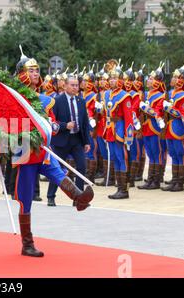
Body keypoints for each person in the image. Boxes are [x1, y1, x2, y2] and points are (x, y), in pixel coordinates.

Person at [11, 49, 93, 257]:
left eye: (37, 70)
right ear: (22, 73)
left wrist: (54, 127)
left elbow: (53, 123)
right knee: (27, 197)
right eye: (31, 71)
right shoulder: (15, 98)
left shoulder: (45, 99)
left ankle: (78, 196)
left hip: (44, 148)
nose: (36, 74)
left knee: (57, 172)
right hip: (26, 150)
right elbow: (11, 125)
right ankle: (27, 242)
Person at [46, 74, 92, 204]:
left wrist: (87, 141)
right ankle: (51, 196)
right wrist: (65, 125)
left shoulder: (81, 101)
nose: (74, 87)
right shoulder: (57, 101)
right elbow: (52, 122)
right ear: (65, 86)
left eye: (76, 85)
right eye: (72, 85)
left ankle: (79, 198)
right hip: (62, 140)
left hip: (77, 139)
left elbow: (84, 123)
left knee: (82, 166)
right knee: (57, 168)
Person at [104, 63, 133, 199]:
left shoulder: (124, 96)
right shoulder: (106, 94)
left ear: (120, 80)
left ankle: (124, 189)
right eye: (110, 78)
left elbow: (128, 118)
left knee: (122, 158)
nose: (112, 81)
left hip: (120, 129)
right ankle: (119, 187)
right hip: (110, 128)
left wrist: (129, 135)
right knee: (115, 158)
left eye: (115, 78)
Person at [161, 62, 184, 192]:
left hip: (178, 126)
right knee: (173, 153)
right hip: (169, 126)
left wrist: (170, 109)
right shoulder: (172, 93)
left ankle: (180, 182)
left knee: (180, 153)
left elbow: (183, 114)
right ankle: (174, 180)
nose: (172, 79)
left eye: (175, 77)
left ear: (180, 79)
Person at [137, 63, 166, 190]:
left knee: (157, 153)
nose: (148, 80)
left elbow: (158, 112)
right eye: (148, 78)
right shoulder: (147, 94)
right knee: (150, 153)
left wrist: (146, 108)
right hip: (146, 127)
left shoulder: (161, 96)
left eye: (151, 78)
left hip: (155, 127)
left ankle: (156, 180)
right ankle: (150, 178)